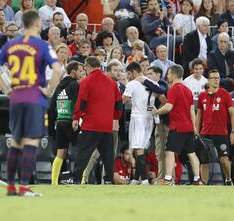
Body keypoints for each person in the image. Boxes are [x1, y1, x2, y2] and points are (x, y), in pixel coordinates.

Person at [0, 9, 62, 196]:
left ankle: (11, 186)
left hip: (16, 96)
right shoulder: (42, 46)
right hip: (35, 97)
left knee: (17, 141)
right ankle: (24, 187)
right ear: (37, 24)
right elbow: (58, 69)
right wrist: (48, 91)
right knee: (31, 142)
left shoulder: (11, 44)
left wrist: (6, 88)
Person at [69, 56, 123, 185]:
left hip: (90, 124)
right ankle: (109, 179)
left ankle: (76, 179)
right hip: (106, 126)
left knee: (83, 153)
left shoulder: (86, 81)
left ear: (88, 66)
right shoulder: (112, 83)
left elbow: (81, 102)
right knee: (108, 156)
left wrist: (77, 117)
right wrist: (115, 117)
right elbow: (119, 103)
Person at [152, 64, 202, 185]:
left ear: (174, 75)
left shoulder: (173, 89)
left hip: (177, 127)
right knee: (191, 153)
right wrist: (194, 127)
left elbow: (169, 107)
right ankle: (197, 179)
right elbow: (191, 111)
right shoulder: (188, 90)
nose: (167, 76)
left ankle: (168, 179)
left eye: (168, 74)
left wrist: (156, 111)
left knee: (169, 152)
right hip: (189, 127)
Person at [122, 62, 163, 185]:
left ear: (133, 72)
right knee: (140, 148)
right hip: (149, 119)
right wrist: (156, 111)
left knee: (138, 149)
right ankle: (135, 179)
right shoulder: (153, 83)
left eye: (129, 74)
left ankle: (144, 180)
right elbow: (163, 100)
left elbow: (122, 100)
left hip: (137, 118)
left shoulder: (133, 83)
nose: (128, 76)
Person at [196, 69, 234, 185]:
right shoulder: (202, 96)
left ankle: (228, 180)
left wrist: (233, 132)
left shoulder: (225, 94)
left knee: (224, 159)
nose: (216, 80)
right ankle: (204, 183)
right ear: (208, 80)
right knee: (204, 161)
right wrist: (196, 131)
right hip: (205, 133)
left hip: (221, 133)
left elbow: (232, 114)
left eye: (217, 78)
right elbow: (199, 114)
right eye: (213, 78)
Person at [49, 61, 83, 185]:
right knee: (82, 150)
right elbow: (78, 104)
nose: (82, 73)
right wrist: (76, 118)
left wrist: (56, 120)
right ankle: (82, 179)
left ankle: (54, 182)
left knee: (61, 152)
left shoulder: (59, 86)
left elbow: (51, 107)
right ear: (73, 71)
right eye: (80, 71)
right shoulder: (75, 85)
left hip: (60, 122)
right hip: (71, 121)